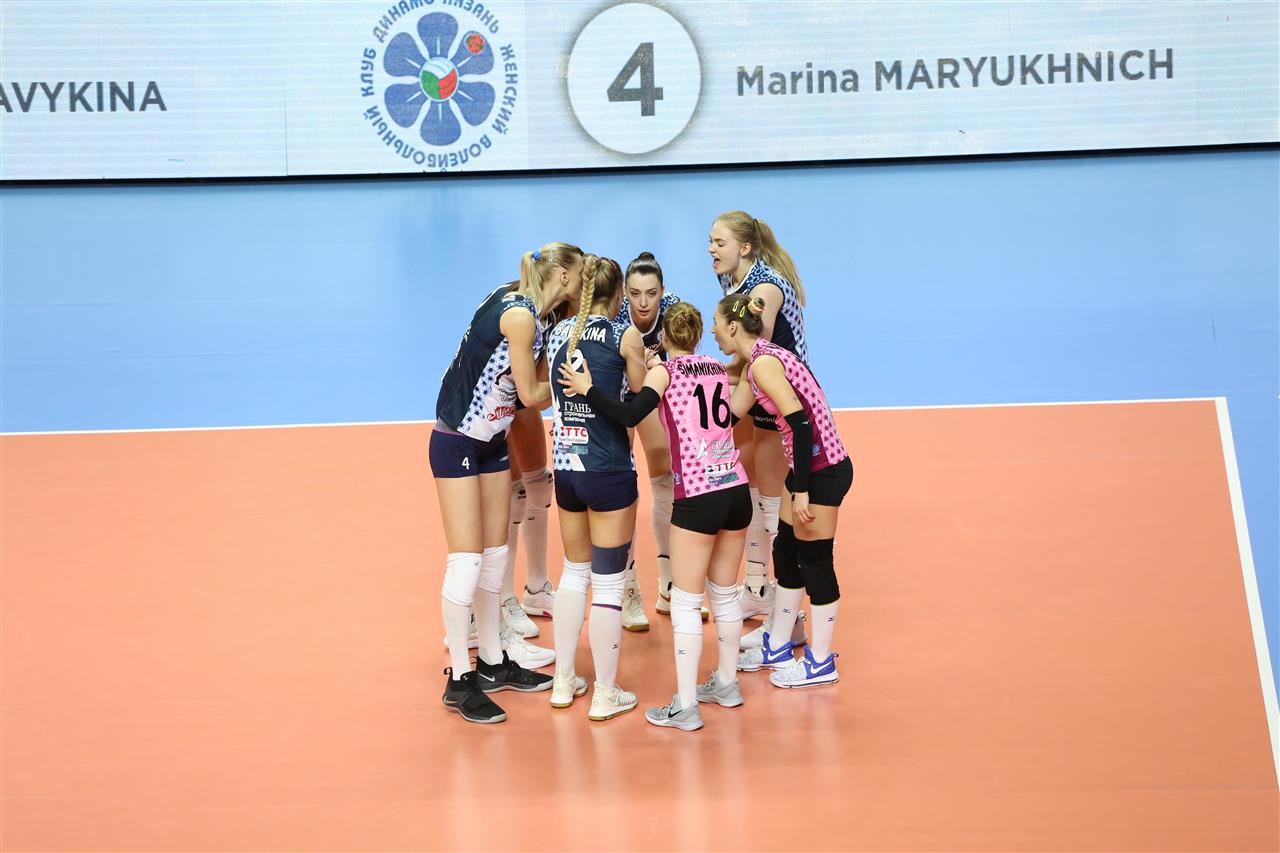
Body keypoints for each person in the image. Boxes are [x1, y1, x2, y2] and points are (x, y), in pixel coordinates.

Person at [560, 302, 751, 732]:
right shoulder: (716, 369)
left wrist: (588, 389)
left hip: (698, 494)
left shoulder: (665, 373)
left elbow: (630, 414)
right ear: (697, 336)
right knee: (724, 594)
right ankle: (727, 684)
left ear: (663, 337)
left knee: (685, 602)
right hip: (735, 487)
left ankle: (685, 705)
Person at [431, 243, 581, 724]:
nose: (585, 284)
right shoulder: (519, 317)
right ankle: (460, 678)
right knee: (467, 561)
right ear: (563, 276)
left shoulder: (534, 310)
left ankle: (494, 663)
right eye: (580, 275)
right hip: (457, 440)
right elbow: (532, 395)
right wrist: (589, 383)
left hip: (492, 441)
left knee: (495, 556)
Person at [713, 293, 852, 689]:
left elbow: (801, 424)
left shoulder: (764, 365)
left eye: (716, 323)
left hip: (822, 470)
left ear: (733, 327)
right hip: (805, 469)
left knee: (816, 562)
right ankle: (777, 645)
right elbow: (728, 416)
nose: (713, 330)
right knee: (786, 551)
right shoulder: (754, 363)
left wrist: (802, 490)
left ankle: (820, 662)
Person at [545, 255, 648, 720]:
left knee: (573, 573)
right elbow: (639, 395)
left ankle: (563, 681)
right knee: (608, 583)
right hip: (608, 470)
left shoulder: (557, 335)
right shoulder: (625, 336)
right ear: (618, 294)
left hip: (566, 469)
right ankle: (606, 692)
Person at [708, 212, 809, 624]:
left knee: (773, 506)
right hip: (758, 391)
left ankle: (787, 615)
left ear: (745, 248)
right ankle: (756, 589)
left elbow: (755, 359)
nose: (712, 250)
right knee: (748, 490)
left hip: (779, 396)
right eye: (711, 242)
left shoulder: (764, 288)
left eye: (720, 243)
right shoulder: (732, 280)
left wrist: (722, 409)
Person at [613, 251, 681, 631]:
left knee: (665, 480)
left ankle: (669, 586)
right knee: (624, 489)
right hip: (617, 401)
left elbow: (685, 363)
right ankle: (629, 590)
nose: (643, 302)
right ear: (625, 292)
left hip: (652, 398)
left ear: (662, 291)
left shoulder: (673, 312)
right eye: (635, 293)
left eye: (651, 293)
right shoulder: (615, 318)